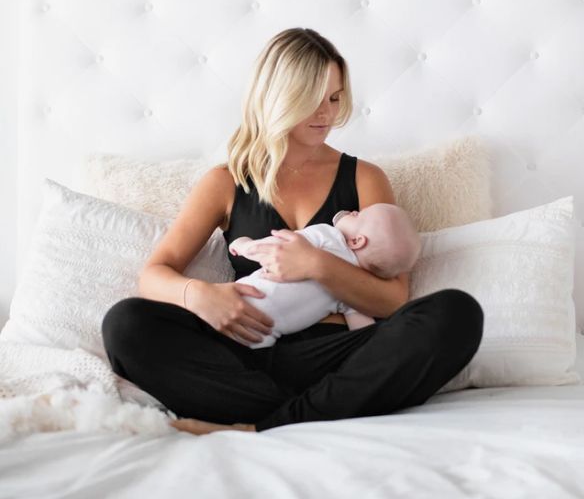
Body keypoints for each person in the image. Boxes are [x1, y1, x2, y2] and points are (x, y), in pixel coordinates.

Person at [101, 27, 484, 436]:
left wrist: (317, 264)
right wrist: (200, 296)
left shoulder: (365, 179)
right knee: (126, 324)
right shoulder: (226, 182)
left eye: (335, 98)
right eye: (312, 100)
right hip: (245, 355)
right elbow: (154, 274)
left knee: (456, 314)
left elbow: (392, 299)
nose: (326, 113)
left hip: (341, 355)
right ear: (277, 97)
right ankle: (319, 410)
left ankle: (264, 423)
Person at [228, 202, 422, 347]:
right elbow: (364, 333)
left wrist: (244, 245)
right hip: (263, 336)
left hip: (242, 300)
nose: (353, 211)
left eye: (358, 215)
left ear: (357, 241)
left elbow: (274, 247)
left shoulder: (328, 236)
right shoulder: (351, 290)